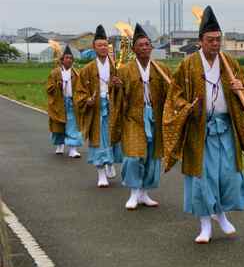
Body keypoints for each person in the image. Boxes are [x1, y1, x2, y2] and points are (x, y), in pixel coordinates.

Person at [163, 6, 244, 243]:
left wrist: (239, 89)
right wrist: (187, 108)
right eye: (210, 40)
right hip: (199, 130)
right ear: (200, 41)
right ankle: (205, 224)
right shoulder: (188, 65)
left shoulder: (230, 63)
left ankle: (221, 214)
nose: (215, 44)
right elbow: (175, 95)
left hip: (225, 129)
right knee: (203, 177)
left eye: (218, 40)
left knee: (226, 176)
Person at [113, 23, 172, 210]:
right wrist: (116, 87)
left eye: (148, 44)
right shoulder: (124, 70)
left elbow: (171, 94)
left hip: (155, 117)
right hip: (134, 118)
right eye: (141, 45)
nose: (145, 47)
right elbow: (118, 97)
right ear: (134, 49)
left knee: (152, 157)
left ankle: (145, 193)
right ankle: (133, 192)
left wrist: (173, 88)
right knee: (133, 156)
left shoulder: (161, 68)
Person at [75, 25, 122, 188]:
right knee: (98, 141)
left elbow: (123, 89)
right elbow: (79, 91)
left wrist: (118, 85)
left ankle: (110, 163)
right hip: (95, 110)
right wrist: (87, 100)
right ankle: (101, 173)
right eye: (100, 45)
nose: (103, 48)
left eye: (105, 45)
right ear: (94, 48)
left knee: (112, 139)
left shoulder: (115, 67)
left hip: (112, 108)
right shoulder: (87, 70)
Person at [46, 45, 83, 158]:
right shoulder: (55, 73)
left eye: (71, 58)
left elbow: (81, 88)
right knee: (58, 125)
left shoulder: (76, 73)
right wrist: (57, 86)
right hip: (58, 103)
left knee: (73, 126)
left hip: (72, 103)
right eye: (66, 57)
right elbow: (48, 88)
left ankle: (73, 149)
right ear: (62, 60)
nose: (69, 60)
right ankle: (59, 145)